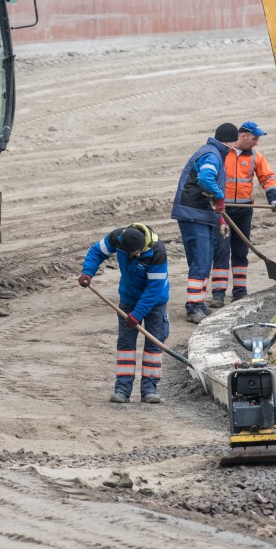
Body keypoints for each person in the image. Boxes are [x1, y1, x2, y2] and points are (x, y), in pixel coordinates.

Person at [78, 223, 169, 404]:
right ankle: (122, 389)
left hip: (155, 303)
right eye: (131, 254)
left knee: (153, 344)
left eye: (137, 253)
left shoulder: (158, 251)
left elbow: (154, 290)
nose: (134, 256)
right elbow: (96, 252)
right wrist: (87, 273)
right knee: (126, 345)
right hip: (128, 300)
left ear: (143, 246)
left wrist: (138, 314)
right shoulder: (117, 238)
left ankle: (149, 389)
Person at [210, 120, 276, 307]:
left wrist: (273, 197)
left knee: (241, 252)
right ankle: (218, 294)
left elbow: (267, 177)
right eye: (254, 138)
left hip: (244, 211)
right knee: (221, 251)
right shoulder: (222, 154)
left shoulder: (256, 157)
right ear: (242, 136)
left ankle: (239, 292)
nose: (256, 142)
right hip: (223, 211)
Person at [170, 123, 237, 324]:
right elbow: (206, 179)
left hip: (200, 215)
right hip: (193, 214)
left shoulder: (214, 152)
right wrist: (219, 196)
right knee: (200, 260)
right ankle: (193, 308)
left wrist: (220, 217)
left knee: (205, 260)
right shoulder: (212, 154)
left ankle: (198, 303)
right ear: (230, 140)